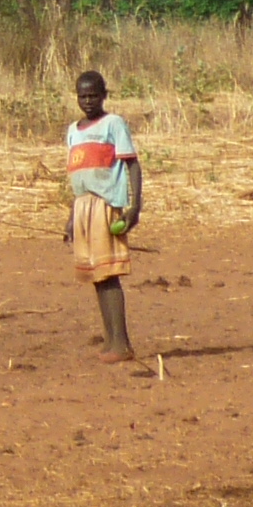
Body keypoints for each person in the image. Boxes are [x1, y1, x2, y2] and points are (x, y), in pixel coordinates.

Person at [63, 68, 141, 362]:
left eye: (93, 96)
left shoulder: (113, 124)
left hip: (106, 203)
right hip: (83, 205)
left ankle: (121, 343)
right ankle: (110, 340)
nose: (88, 101)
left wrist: (135, 206)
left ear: (104, 96)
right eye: (83, 96)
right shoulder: (73, 130)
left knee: (109, 274)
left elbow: (132, 165)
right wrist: (72, 218)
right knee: (97, 275)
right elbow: (78, 177)